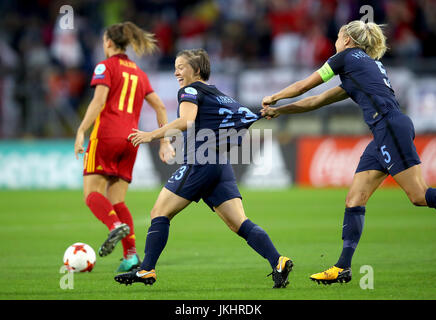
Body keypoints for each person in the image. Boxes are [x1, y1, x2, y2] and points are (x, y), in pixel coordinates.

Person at [261, 20, 436, 285]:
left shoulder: (344, 58)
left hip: (389, 127)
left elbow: (305, 86)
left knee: (419, 196)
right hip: (383, 132)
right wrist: (279, 111)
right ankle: (342, 268)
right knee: (355, 199)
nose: (335, 40)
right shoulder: (360, 68)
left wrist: (274, 97)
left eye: (338, 36)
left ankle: (343, 266)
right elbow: (316, 101)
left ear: (347, 40)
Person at [114, 48, 292, 289]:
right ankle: (278, 261)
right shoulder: (220, 95)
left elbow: (186, 120)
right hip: (220, 165)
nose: (176, 71)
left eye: (181, 66)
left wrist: (151, 136)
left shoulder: (188, 90)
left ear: (196, 70)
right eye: (175, 66)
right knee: (238, 222)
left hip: (200, 163)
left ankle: (146, 269)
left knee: (159, 212)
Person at [74, 22, 174, 272]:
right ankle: (130, 256)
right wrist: (164, 140)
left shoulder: (104, 67)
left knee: (92, 194)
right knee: (117, 199)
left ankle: (113, 227)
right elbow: (161, 107)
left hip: (106, 135)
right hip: (132, 139)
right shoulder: (139, 73)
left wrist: (81, 130)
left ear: (108, 42)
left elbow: (98, 103)